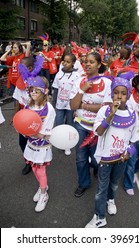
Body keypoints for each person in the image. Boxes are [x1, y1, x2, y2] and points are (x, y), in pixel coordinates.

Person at [85, 77, 138, 228]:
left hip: (121, 159)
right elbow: (99, 132)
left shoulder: (133, 114)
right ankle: (100, 217)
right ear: (112, 94)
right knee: (101, 188)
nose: (119, 96)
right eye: (116, 93)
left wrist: (128, 152)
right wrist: (111, 115)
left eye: (123, 93)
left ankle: (111, 200)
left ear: (128, 95)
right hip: (105, 159)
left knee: (114, 184)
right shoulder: (104, 110)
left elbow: (134, 139)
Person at [70, 52, 112, 198]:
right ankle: (83, 183)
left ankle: (96, 169)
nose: (87, 64)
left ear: (99, 65)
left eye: (92, 62)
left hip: (98, 128)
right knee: (80, 158)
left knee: (96, 159)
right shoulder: (78, 81)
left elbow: (106, 109)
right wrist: (82, 89)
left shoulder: (107, 83)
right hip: (81, 125)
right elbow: (73, 106)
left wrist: (84, 105)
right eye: (86, 61)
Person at [23, 76, 56, 212]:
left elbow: (44, 132)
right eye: (31, 90)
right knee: (34, 168)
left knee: (41, 170)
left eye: (37, 90)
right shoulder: (28, 105)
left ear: (45, 91)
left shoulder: (48, 108)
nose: (34, 93)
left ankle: (44, 194)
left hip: (42, 144)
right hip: (31, 143)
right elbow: (23, 121)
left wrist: (31, 132)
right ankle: (42, 187)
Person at [13, 55, 43, 175]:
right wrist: (15, 117)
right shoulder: (20, 82)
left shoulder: (38, 83)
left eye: (23, 67)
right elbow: (17, 100)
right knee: (22, 142)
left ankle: (38, 161)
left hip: (35, 118)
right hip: (23, 119)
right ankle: (28, 162)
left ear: (30, 68)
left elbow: (42, 103)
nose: (20, 69)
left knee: (35, 141)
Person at [52, 53, 80, 155]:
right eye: (64, 61)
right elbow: (55, 89)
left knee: (70, 125)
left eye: (68, 62)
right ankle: (60, 141)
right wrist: (54, 103)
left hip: (70, 105)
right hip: (59, 104)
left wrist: (76, 108)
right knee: (58, 124)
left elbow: (78, 93)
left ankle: (68, 145)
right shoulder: (58, 74)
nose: (65, 64)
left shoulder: (77, 76)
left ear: (73, 63)